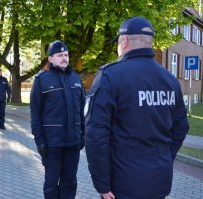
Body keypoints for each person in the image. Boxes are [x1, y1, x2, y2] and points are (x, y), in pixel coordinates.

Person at [85, 16, 189, 199]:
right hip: (159, 181)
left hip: (122, 185)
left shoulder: (110, 76)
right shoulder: (170, 79)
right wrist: (164, 158)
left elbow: (95, 134)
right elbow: (181, 127)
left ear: (123, 41)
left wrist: (101, 183)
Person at [30, 40, 85, 199]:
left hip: (73, 143)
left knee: (70, 182)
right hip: (52, 144)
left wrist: (83, 134)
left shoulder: (76, 78)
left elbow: (82, 110)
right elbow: (35, 114)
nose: (64, 58)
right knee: (51, 184)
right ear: (50, 59)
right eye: (60, 55)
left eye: (66, 55)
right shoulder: (42, 80)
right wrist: (39, 140)